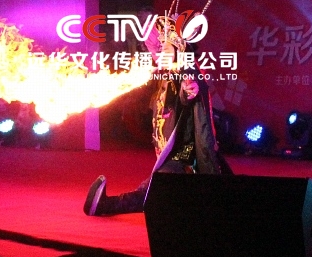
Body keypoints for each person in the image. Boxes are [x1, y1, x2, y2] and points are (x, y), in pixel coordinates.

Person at [84, 15, 232, 216]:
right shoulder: (164, 75)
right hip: (170, 158)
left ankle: (105, 206)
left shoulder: (186, 70)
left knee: (153, 191)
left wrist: (189, 89)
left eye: (166, 48)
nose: (160, 51)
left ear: (179, 49)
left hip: (184, 161)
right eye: (160, 47)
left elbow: (189, 86)